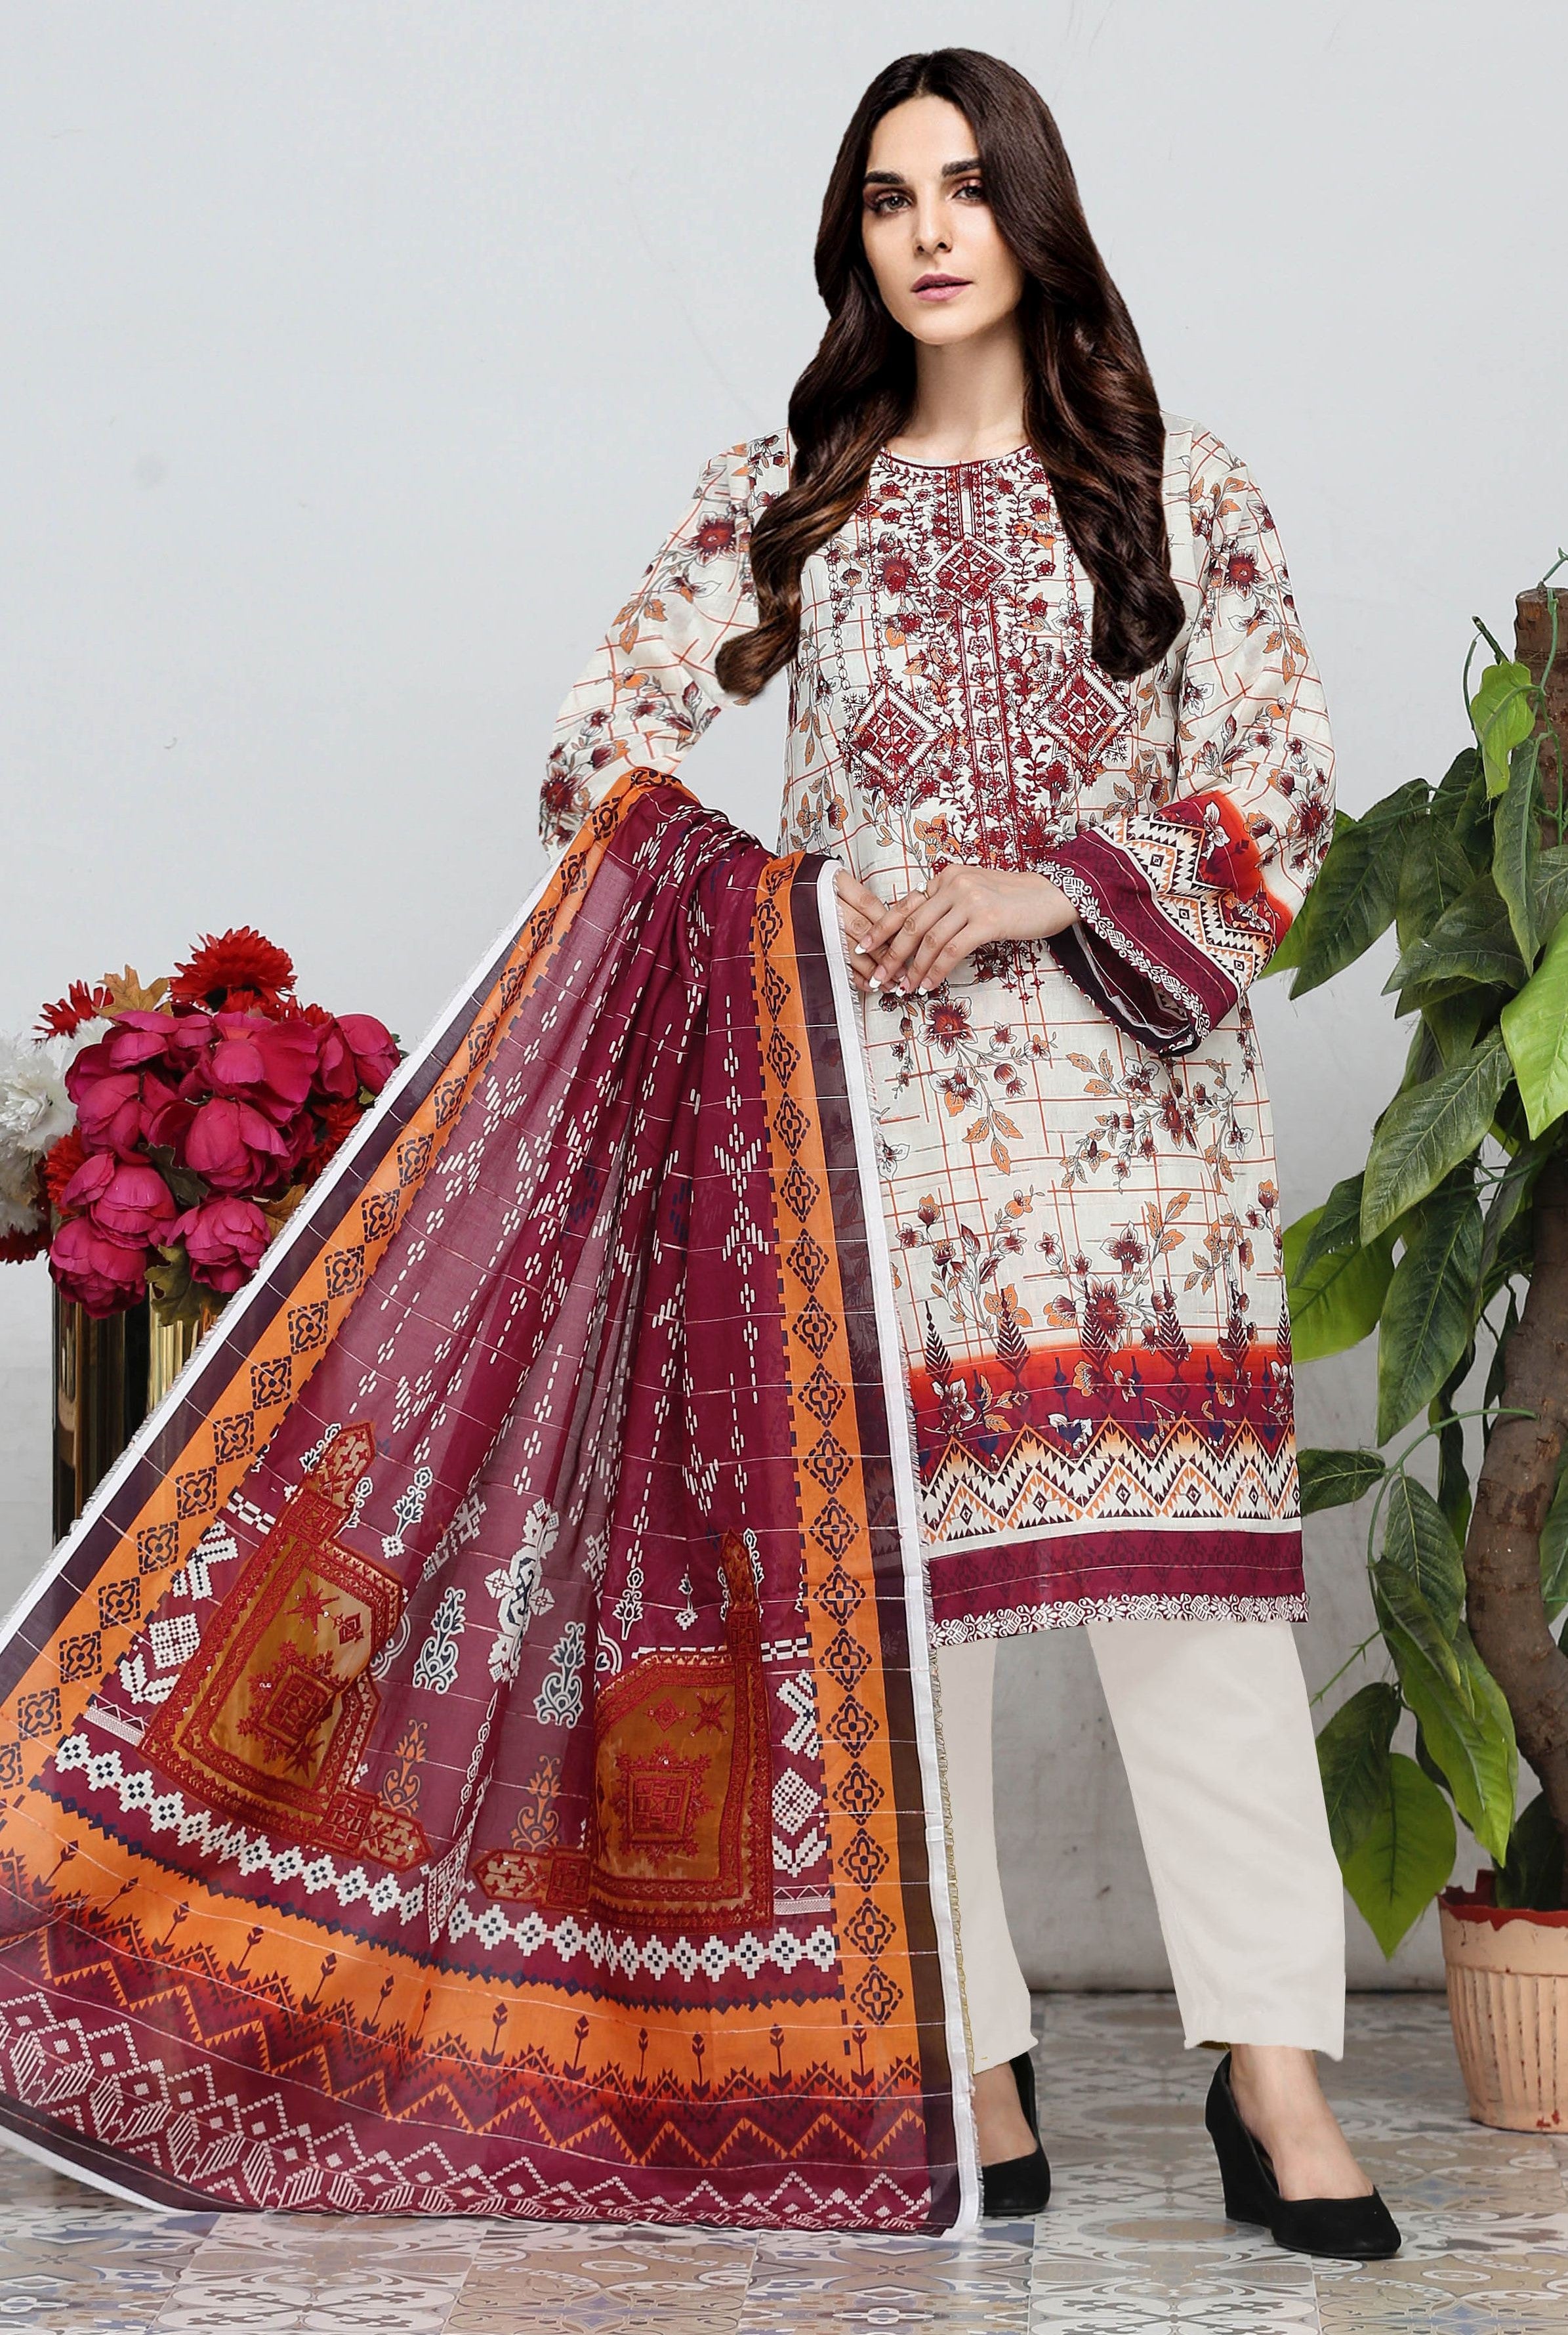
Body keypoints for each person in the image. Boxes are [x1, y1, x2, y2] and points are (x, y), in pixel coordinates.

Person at [540, 47, 1399, 2261]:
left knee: (1196, 1625)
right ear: (854, 239)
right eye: (888, 197)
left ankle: (1275, 2077)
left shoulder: (1170, 486)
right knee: (904, 1636)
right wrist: (792, 909)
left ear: (1035, 215)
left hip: (1138, 1152)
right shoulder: (795, 498)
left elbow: (1283, 773)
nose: (929, 231)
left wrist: (1053, 887)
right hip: (876, 1142)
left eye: (966, 189)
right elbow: (601, 756)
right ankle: (977, 2063)